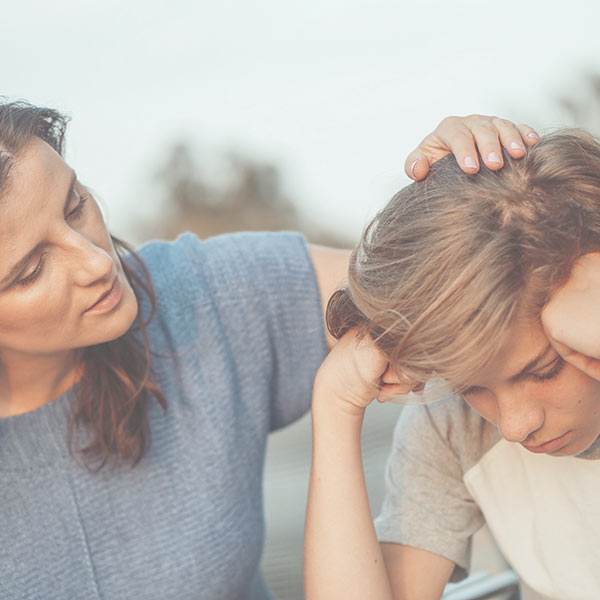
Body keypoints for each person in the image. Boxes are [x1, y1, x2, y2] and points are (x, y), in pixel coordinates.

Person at [0, 100, 533, 600]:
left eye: (75, 206)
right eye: (30, 270)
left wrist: (472, 196)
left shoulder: (204, 295)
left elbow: (453, 286)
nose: (95, 261)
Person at [304, 128, 600, 600]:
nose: (514, 425)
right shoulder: (453, 427)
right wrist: (335, 406)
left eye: (544, 370)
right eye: (471, 387)